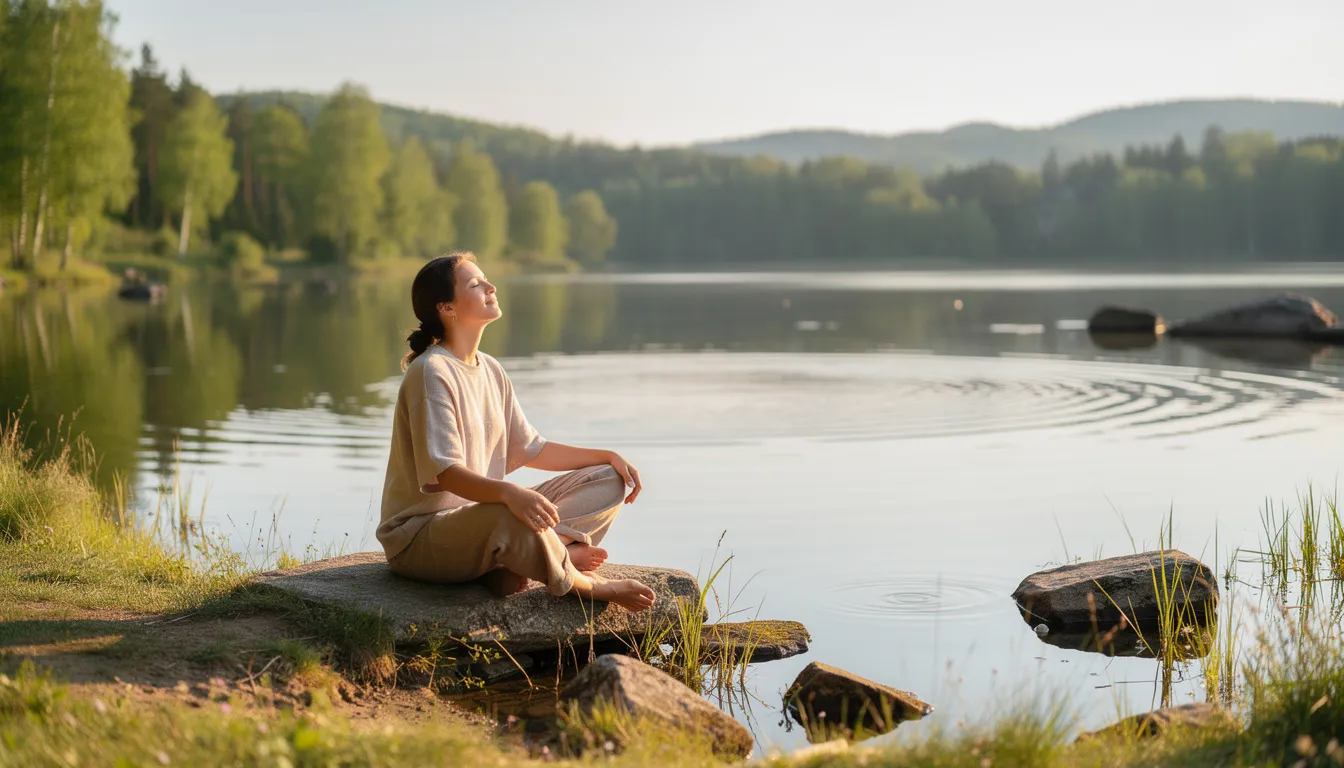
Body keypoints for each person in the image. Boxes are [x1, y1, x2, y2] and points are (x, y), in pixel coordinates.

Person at [377, 252, 657, 612]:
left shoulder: (490, 369)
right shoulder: (432, 372)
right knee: (508, 510)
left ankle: (516, 559)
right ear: (447, 308)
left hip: (479, 527)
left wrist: (608, 457)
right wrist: (509, 494)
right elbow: (445, 474)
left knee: (607, 479)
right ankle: (583, 583)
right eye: (476, 284)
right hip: (419, 540)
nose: (491, 287)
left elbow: (533, 449)